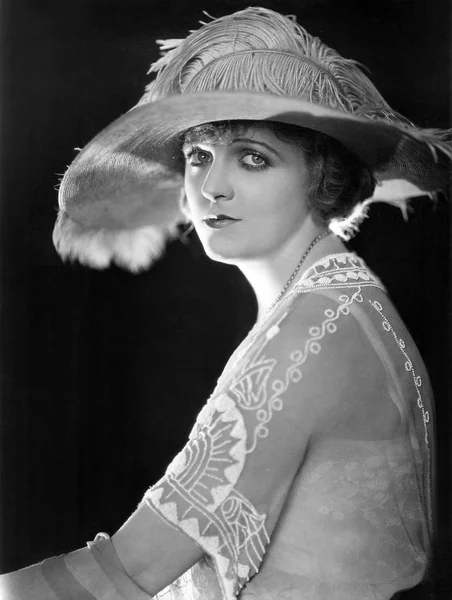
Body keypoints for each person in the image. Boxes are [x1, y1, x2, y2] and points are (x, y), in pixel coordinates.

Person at [1, 6, 450, 600]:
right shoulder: (339, 301)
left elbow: (123, 575)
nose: (212, 186)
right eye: (199, 157)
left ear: (323, 179)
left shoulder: (311, 335)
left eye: (253, 158)